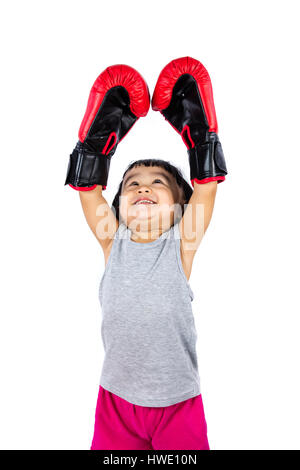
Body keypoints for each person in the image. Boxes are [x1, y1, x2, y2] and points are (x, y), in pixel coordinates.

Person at [65, 57, 228, 450]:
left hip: (177, 403)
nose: (143, 187)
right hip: (117, 401)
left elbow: (206, 190)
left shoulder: (180, 244)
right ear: (118, 207)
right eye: (133, 183)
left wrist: (201, 136)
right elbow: (89, 192)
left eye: (158, 183)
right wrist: (95, 145)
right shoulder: (112, 241)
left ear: (177, 207)